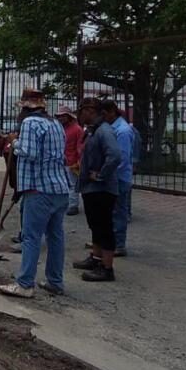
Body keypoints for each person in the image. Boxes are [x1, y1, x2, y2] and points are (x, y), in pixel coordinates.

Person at [0, 89, 70, 299]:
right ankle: (55, 282)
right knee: (56, 236)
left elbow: (30, 153)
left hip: (39, 189)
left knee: (31, 237)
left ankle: (25, 284)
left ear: (26, 108)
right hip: (60, 188)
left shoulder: (30, 124)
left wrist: (14, 142)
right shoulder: (56, 124)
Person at [72, 98, 122, 281]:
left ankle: (107, 268)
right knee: (95, 226)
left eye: (82, 110)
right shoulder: (92, 131)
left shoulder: (104, 131)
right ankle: (95, 257)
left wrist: (100, 175)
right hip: (91, 188)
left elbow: (115, 155)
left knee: (104, 227)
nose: (79, 114)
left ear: (91, 111)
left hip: (102, 189)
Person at [104, 100, 134, 256]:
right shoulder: (113, 128)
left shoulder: (122, 131)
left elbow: (121, 159)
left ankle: (119, 244)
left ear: (111, 112)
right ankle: (107, 241)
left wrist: (105, 173)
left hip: (119, 178)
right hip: (112, 177)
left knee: (118, 212)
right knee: (109, 212)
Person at [57, 105, 84, 215]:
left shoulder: (77, 129)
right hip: (61, 161)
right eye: (59, 116)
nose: (61, 118)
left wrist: (79, 161)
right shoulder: (61, 128)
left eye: (63, 116)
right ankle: (66, 204)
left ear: (69, 117)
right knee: (63, 185)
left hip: (72, 162)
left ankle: (73, 205)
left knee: (72, 185)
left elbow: (80, 147)